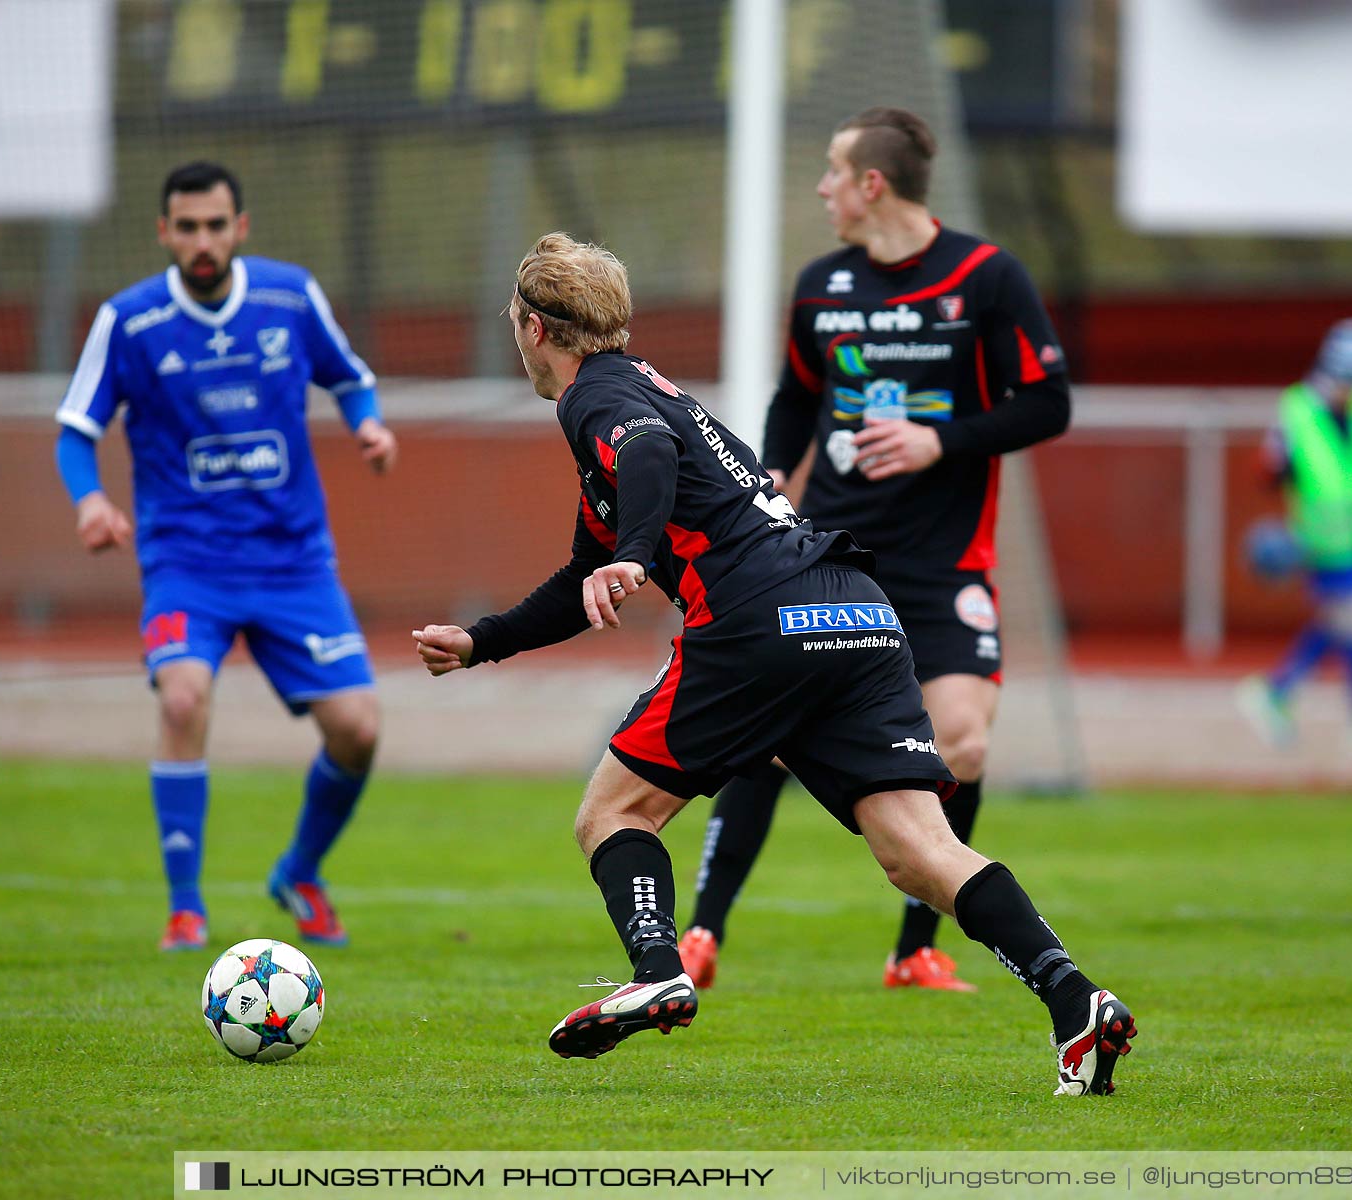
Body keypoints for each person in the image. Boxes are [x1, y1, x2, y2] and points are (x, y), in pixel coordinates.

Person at [412, 233, 1133, 1094]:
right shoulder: (647, 387)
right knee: (918, 850)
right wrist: (481, 640)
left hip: (758, 618)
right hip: (854, 607)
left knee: (611, 814)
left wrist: (637, 556)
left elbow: (642, 456)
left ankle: (657, 967)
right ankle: (1074, 1001)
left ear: (533, 327)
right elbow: (582, 573)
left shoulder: (598, 398)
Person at [676, 107, 1073, 994]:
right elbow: (794, 398)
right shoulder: (822, 286)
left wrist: (943, 441)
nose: (821, 187)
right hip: (837, 557)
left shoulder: (986, 277)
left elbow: (1048, 402)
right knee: (774, 742)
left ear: (872, 184)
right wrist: (774, 470)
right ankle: (701, 933)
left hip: (942, 566)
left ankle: (914, 949)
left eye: (831, 171)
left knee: (962, 743)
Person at [54, 161, 397, 951]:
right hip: (187, 563)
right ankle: (185, 908)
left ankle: (299, 872)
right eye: (188, 226)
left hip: (293, 561)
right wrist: (90, 500)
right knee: (181, 700)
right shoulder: (130, 322)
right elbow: (78, 428)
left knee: (360, 729)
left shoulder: (288, 296)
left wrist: (369, 425)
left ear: (240, 228)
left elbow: (351, 379)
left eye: (216, 225)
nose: (202, 241)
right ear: (164, 231)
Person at [1237, 318, 1352, 755]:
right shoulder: (1298, 409)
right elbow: (1269, 471)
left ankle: (1276, 694)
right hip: (1325, 540)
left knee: (1343, 624)